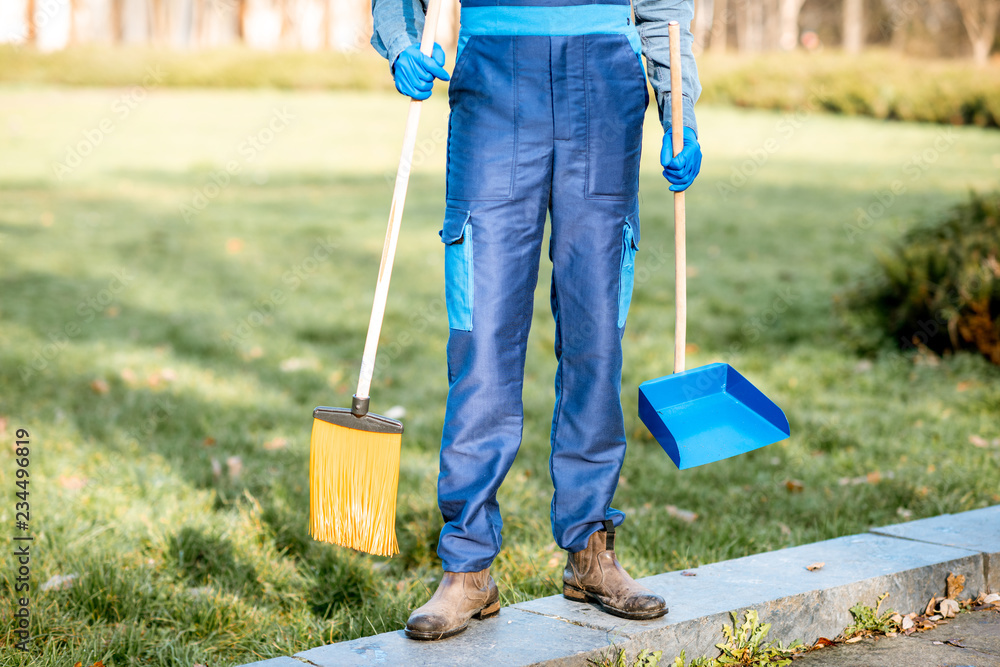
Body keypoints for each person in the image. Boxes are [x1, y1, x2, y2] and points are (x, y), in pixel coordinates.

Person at [371, 0, 703, 641]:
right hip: (494, 79)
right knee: (482, 329)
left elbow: (664, 10)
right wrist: (402, 44)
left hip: (604, 86)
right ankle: (467, 567)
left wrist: (678, 106)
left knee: (596, 332)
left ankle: (590, 551)